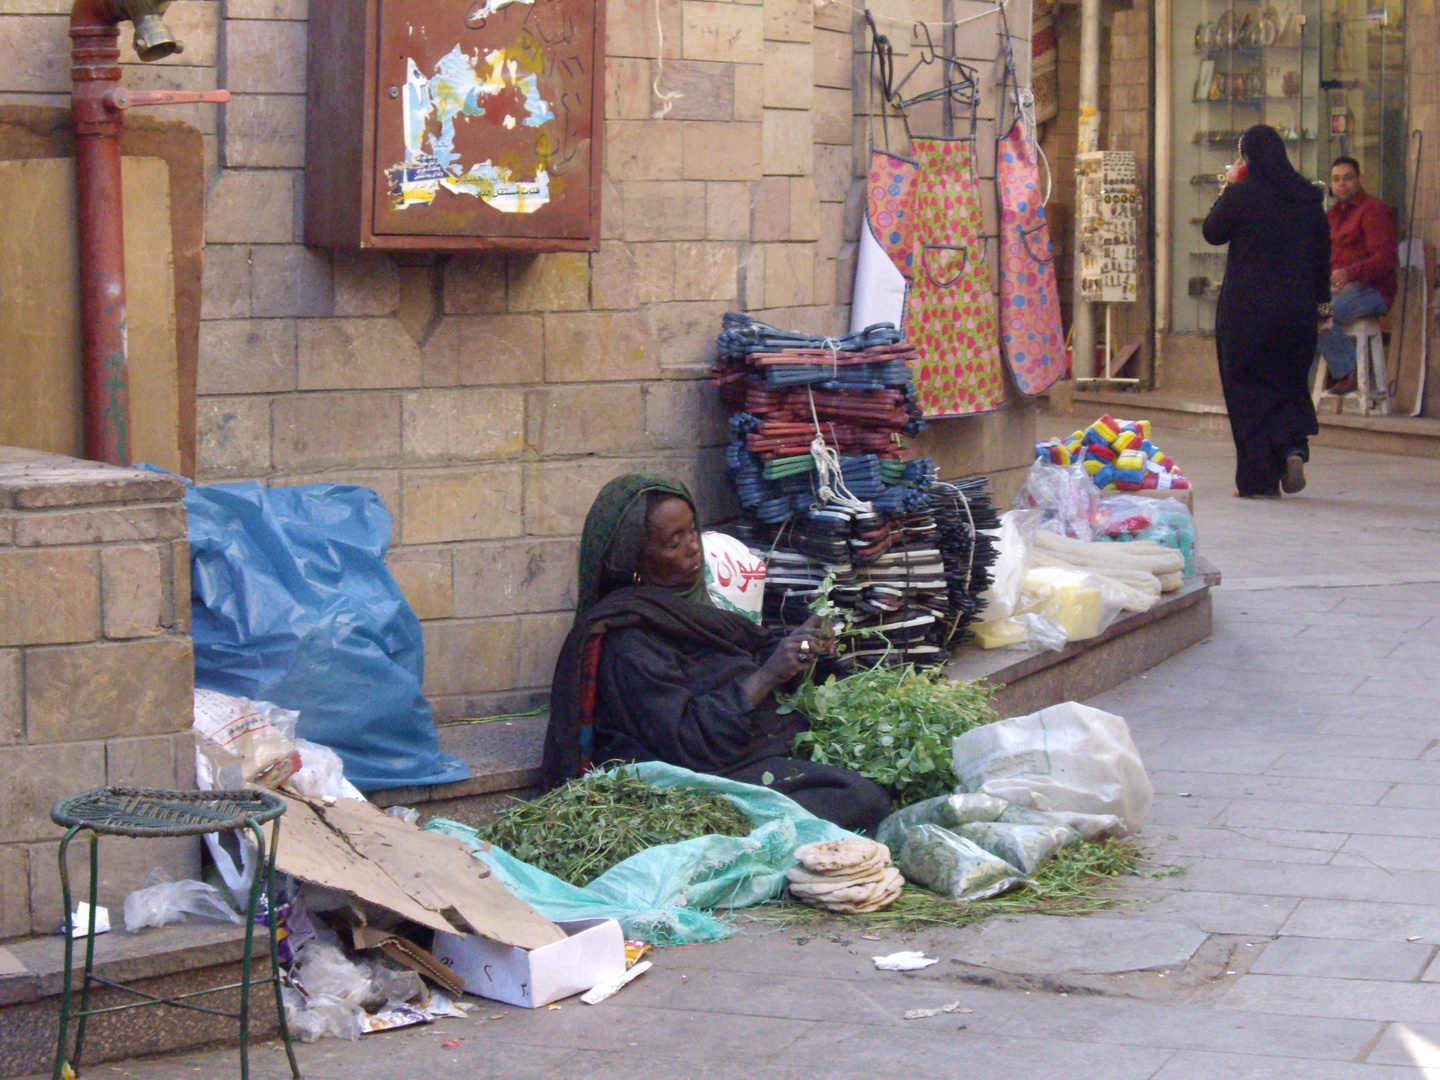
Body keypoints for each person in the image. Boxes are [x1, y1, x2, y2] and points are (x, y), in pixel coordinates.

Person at [541, 474, 893, 835]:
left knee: (883, 770)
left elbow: (752, 652)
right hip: (700, 777)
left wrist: (804, 647)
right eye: (673, 543)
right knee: (863, 799)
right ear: (636, 561)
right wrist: (766, 677)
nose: (693, 547)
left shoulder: (692, 606)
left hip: (752, 748)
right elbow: (687, 745)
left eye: (692, 532)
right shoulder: (629, 642)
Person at [1203, 125, 1330, 498]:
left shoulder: (1242, 195)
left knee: (1247, 391)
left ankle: (1259, 479)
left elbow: (1213, 231)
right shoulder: (1309, 199)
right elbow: (1322, 258)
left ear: (1249, 158)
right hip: (1296, 315)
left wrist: (1228, 186)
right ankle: (1292, 448)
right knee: (1288, 384)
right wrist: (1322, 309)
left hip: (1247, 314)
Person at [1317, 156, 1399, 395]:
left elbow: (1385, 260)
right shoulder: (1331, 216)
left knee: (1320, 313)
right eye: (1336, 179)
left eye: (1348, 178)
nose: (1342, 184)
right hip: (1340, 289)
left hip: (1372, 290)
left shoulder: (1374, 210)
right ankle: (1335, 368)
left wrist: (1349, 273)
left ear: (1360, 180)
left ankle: (1346, 370)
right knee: (1297, 307)